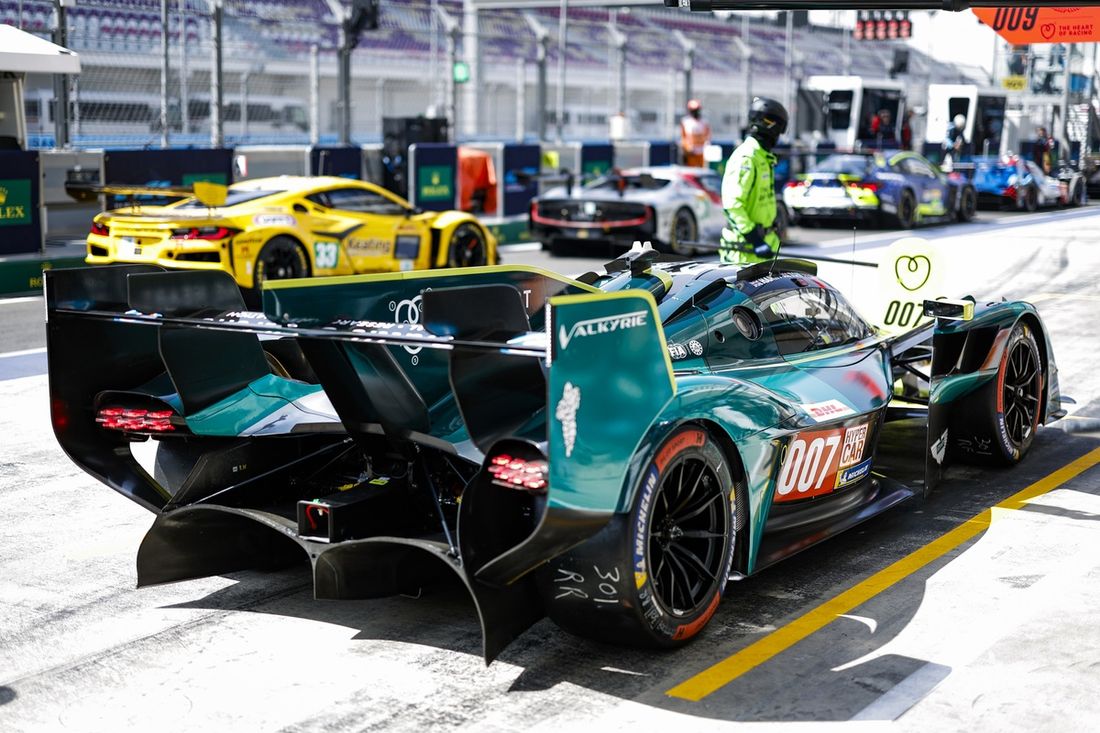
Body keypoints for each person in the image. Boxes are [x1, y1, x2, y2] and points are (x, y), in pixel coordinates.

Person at [719, 96, 788, 265]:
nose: (778, 138)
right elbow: (732, 205)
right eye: (778, 132)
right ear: (770, 128)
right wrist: (754, 238)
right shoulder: (747, 158)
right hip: (743, 252)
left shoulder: (763, 158)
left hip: (763, 250)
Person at [679, 99, 711, 168]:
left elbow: (708, 136)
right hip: (691, 153)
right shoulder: (685, 122)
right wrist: (687, 148)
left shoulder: (704, 122)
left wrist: (706, 147)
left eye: (696, 110)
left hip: (702, 153)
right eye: (693, 110)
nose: (695, 112)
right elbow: (683, 137)